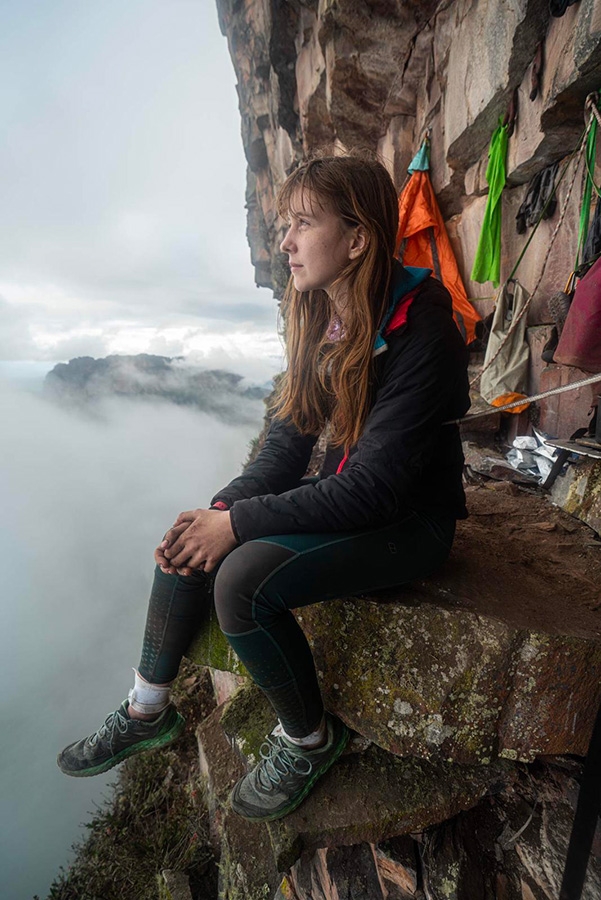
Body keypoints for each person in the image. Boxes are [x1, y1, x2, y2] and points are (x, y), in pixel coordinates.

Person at [58, 154, 470, 823]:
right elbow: (284, 448)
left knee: (240, 577)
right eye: (285, 225)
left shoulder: (421, 326)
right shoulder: (321, 317)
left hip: (408, 524)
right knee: (193, 538)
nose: (284, 243)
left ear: (357, 238)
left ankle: (307, 740)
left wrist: (239, 526)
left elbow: (374, 491)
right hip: (358, 500)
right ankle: (145, 708)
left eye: (302, 224)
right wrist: (220, 511)